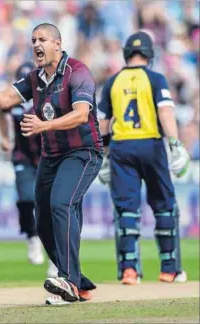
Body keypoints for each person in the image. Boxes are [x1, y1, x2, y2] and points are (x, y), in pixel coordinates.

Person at [0, 23, 103, 304]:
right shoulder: (34, 78)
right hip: (52, 156)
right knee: (42, 218)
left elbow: (81, 115)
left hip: (83, 152)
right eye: (33, 40)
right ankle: (78, 283)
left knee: (61, 204)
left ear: (58, 44)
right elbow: (2, 100)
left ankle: (69, 281)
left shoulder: (77, 72)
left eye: (43, 39)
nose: (36, 44)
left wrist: (44, 125)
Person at [98, 31, 190, 285]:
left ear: (127, 53)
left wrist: (104, 155)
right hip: (151, 144)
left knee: (126, 210)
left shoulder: (113, 81)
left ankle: (129, 270)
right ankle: (169, 269)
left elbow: (103, 122)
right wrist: (175, 143)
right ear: (150, 54)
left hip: (121, 148)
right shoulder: (156, 79)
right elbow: (166, 112)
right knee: (164, 206)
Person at [0, 61, 57, 276]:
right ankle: (32, 236)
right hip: (22, 155)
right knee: (25, 199)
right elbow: (0, 112)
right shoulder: (14, 101)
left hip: (47, 155)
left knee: (51, 206)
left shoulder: (48, 97)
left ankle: (56, 258)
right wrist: (4, 137)